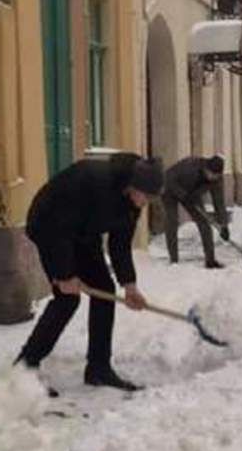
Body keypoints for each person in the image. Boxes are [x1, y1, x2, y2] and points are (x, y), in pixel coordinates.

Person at [16, 152, 163, 393]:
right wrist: (64, 274)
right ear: (132, 186)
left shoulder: (132, 202)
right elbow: (60, 226)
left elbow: (120, 244)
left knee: (105, 290)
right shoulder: (93, 180)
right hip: (49, 226)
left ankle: (98, 368)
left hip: (84, 234)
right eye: (146, 196)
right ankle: (25, 367)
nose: (146, 202)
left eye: (151, 197)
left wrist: (130, 285)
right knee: (67, 299)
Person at [162, 155, 230, 269]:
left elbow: (219, 202)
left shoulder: (217, 180)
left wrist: (224, 226)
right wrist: (183, 194)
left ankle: (210, 260)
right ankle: (174, 260)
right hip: (169, 189)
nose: (213, 177)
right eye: (211, 174)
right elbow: (168, 179)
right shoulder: (190, 167)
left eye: (216, 176)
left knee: (204, 222)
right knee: (172, 221)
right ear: (206, 169)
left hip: (192, 194)